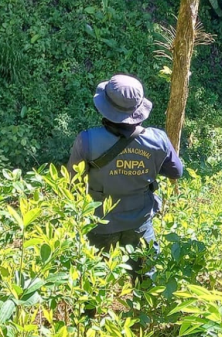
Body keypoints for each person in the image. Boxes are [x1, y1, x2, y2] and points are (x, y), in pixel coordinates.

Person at [68, 73, 183, 281]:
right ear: (138, 109)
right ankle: (144, 312)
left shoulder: (87, 140)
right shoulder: (158, 139)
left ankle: (90, 314)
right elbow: (176, 171)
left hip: (100, 220)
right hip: (140, 220)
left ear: (104, 107)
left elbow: (72, 181)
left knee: (93, 278)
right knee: (145, 276)